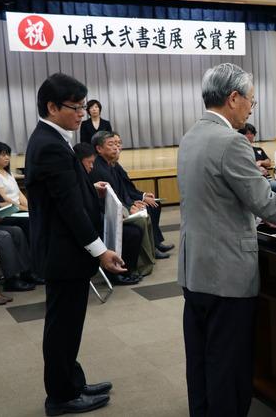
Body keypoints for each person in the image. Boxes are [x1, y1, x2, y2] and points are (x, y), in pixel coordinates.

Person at [177, 63, 276, 417]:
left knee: (201, 359)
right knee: (228, 364)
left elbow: (216, 197)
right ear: (233, 98)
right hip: (227, 274)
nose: (251, 107)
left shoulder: (191, 136)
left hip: (195, 270)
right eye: (251, 100)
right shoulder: (231, 142)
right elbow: (264, 201)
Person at [25, 73, 126, 415]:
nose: (82, 113)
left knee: (68, 325)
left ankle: (72, 381)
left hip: (63, 251)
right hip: (63, 253)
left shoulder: (53, 137)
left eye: (84, 105)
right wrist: (100, 251)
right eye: (76, 107)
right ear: (52, 107)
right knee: (62, 327)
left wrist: (89, 189)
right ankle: (61, 396)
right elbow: (67, 208)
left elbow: (66, 190)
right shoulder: (50, 143)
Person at [89, 131, 172, 259]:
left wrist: (138, 199)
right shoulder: (101, 168)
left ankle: (155, 245)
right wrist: (130, 207)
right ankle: (148, 254)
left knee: (153, 205)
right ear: (99, 149)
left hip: (125, 203)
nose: (117, 147)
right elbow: (112, 197)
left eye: (118, 144)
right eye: (112, 144)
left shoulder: (110, 164)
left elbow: (125, 189)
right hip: (112, 213)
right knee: (143, 215)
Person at [74, 142, 144, 285]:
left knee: (134, 230)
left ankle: (127, 270)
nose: (92, 167)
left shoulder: (86, 174)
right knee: (131, 233)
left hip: (97, 220)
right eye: (89, 163)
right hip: (88, 228)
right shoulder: (77, 176)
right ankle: (116, 273)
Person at [237, 123, 276, 194]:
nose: (249, 136)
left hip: (266, 178)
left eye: (251, 133)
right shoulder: (239, 151)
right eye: (246, 133)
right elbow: (241, 167)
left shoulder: (258, 149)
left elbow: (268, 162)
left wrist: (261, 162)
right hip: (252, 179)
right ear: (241, 135)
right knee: (275, 186)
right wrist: (257, 169)